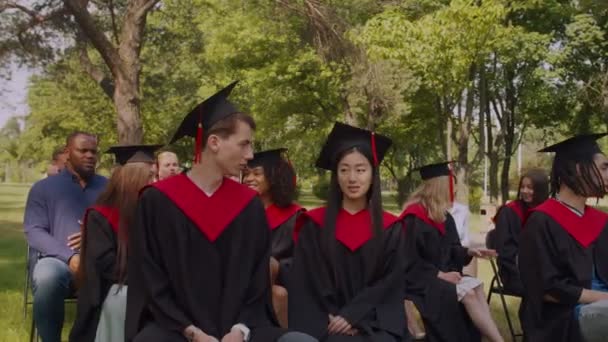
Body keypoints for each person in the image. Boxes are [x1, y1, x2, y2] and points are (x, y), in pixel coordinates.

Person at [125, 81, 314, 342]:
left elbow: (257, 281)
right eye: (244, 144)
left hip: (240, 328)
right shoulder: (158, 201)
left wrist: (240, 330)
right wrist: (192, 332)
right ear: (214, 142)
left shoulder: (247, 204)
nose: (250, 155)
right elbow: (150, 278)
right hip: (176, 329)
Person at [288, 122, 407, 341]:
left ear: (373, 174)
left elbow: (391, 283)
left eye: (360, 170)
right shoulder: (314, 225)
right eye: (344, 169)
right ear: (336, 175)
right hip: (326, 323)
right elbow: (306, 283)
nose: (352, 178)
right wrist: (335, 319)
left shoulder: (391, 228)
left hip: (375, 323)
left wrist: (354, 316)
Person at [519, 134, 608, 342]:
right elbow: (545, 289)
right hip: (564, 317)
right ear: (579, 168)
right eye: (604, 167)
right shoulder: (541, 221)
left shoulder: (601, 221)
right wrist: (603, 298)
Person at [400, 161, 501, 342]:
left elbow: (451, 249)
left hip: (440, 276)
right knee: (468, 294)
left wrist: (470, 252)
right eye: (451, 186)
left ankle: (489, 337)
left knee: (476, 285)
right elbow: (407, 260)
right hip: (420, 279)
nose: (454, 191)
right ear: (439, 187)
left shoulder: (444, 216)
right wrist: (439, 275)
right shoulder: (414, 217)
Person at [69, 144, 161, 342]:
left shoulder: (153, 213)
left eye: (156, 176)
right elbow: (107, 266)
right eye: (150, 176)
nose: (155, 182)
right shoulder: (100, 216)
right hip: (112, 295)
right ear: (132, 178)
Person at [24, 131, 108, 342]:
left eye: (94, 151)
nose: (90, 155)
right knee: (47, 276)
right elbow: (34, 230)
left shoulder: (108, 188)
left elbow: (123, 225)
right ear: (68, 152)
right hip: (58, 262)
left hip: (101, 260)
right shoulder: (44, 188)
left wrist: (93, 233)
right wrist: (70, 256)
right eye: (83, 150)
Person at [243, 148, 304, 328]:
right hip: (244, 284)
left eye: (257, 173)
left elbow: (303, 264)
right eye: (246, 174)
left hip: (280, 283)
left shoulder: (296, 217)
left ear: (274, 177)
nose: (249, 179)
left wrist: (277, 266)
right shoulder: (241, 212)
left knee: (278, 293)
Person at [493, 168, 548, 294]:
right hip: (514, 273)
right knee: (541, 292)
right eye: (522, 187)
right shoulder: (509, 212)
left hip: (545, 272)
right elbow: (504, 251)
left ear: (541, 189)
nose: (524, 191)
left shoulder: (548, 212)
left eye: (530, 187)